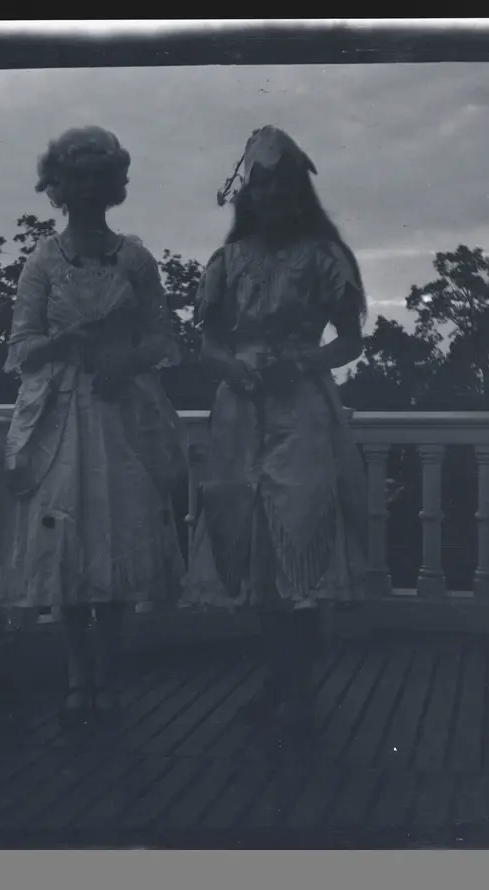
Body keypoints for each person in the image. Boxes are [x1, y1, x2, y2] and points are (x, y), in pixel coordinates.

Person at [181, 125, 370, 735]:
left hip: (303, 413)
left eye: (283, 187)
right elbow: (208, 344)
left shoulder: (324, 257)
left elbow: (350, 340)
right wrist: (232, 368)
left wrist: (304, 362)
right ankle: (276, 683)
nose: (272, 198)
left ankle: (300, 689)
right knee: (257, 550)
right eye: (262, 188)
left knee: (303, 540)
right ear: (249, 195)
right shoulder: (228, 261)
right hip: (241, 414)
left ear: (298, 193)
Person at [0, 126, 188, 727]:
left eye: (97, 177)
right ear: (57, 186)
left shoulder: (133, 258)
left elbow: (163, 337)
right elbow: (21, 347)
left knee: (118, 540)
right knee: (69, 545)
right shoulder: (43, 261)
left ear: (112, 185)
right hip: (62, 418)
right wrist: (67, 342)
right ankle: (78, 677)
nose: (86, 188)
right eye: (74, 178)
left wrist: (126, 362)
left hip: (122, 413)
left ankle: (107, 676)